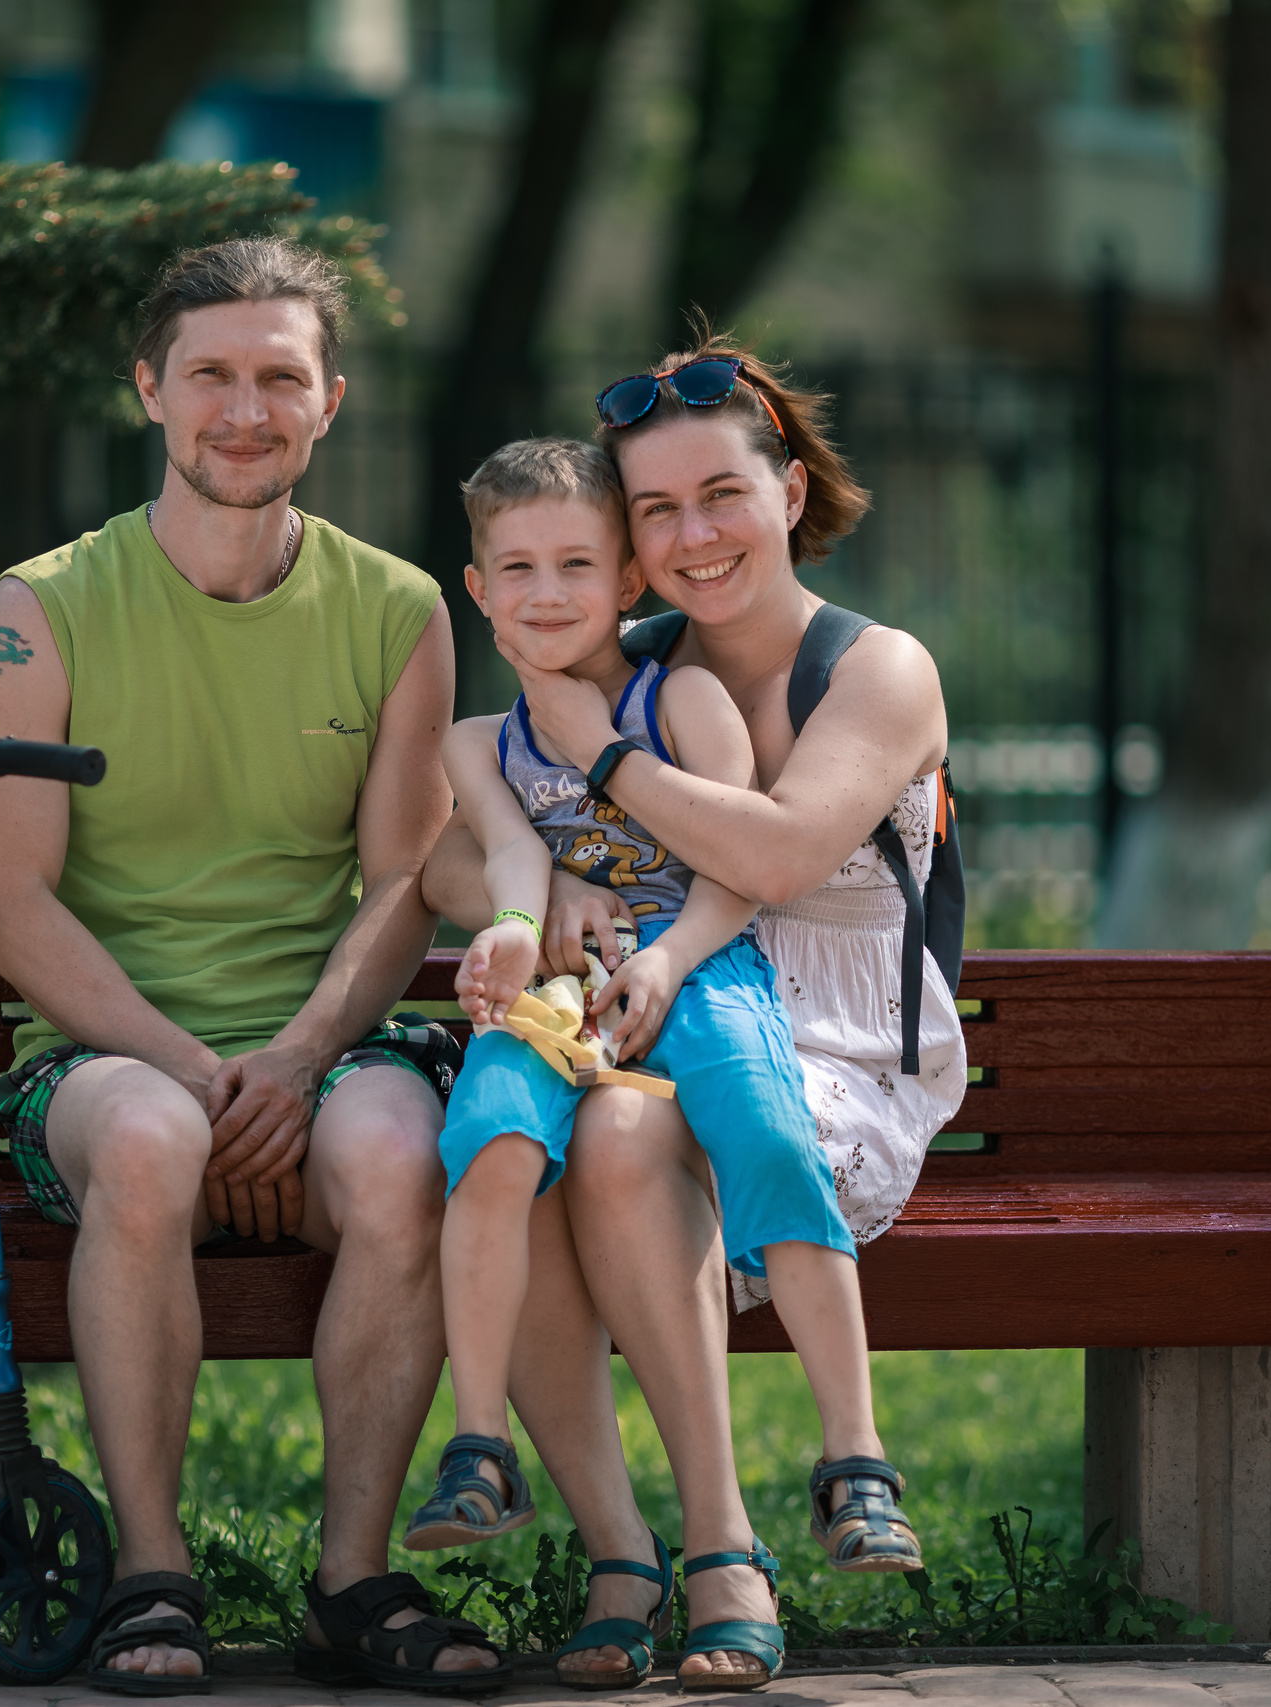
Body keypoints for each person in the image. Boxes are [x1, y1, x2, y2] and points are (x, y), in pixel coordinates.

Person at [0, 236, 513, 1694]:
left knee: (406, 1153)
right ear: (151, 388)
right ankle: (152, 1572)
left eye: (281, 376)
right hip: (105, 1064)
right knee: (147, 1141)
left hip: (317, 1052)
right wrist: (203, 1075)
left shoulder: (398, 610)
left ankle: (352, 1578)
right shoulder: (39, 604)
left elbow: (407, 876)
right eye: (211, 372)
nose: (244, 408)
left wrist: (302, 1054)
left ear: (330, 401)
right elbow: (10, 903)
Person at [424, 336, 965, 1692]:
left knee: (608, 1142)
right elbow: (446, 835)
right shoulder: (617, 643)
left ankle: (733, 1538)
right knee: (531, 1148)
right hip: (640, 1005)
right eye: (654, 509)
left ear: (788, 488)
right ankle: (622, 1544)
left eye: (720, 493)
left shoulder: (875, 667)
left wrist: (601, 747)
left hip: (831, 1042)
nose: (692, 534)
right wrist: (537, 881)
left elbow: (774, 858)